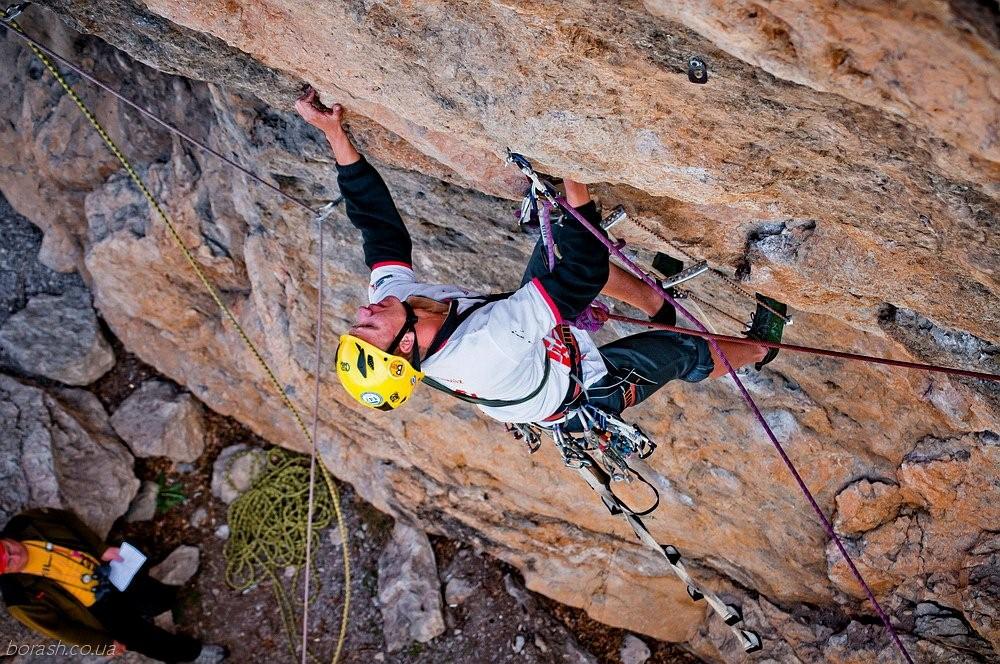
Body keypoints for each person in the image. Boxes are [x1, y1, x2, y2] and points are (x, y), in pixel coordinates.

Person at [294, 88, 785, 424]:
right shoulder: (488, 345)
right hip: (580, 388)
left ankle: (657, 303)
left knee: (556, 254)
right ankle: (761, 350)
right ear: (404, 344)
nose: (363, 312)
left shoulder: (400, 307)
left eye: (357, 324)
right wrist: (575, 179)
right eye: (368, 328)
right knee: (679, 353)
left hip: (528, 353)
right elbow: (583, 271)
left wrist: (334, 134)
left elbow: (379, 230)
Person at [0, 508, 226, 663]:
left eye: (8, 549)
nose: (15, 555)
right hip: (97, 609)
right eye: (8, 562)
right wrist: (101, 644)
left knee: (154, 596)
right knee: (144, 639)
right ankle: (192, 654)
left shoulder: (25, 523)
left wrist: (100, 548)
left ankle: (164, 606)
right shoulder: (18, 597)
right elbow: (59, 629)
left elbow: (66, 519)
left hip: (107, 571)